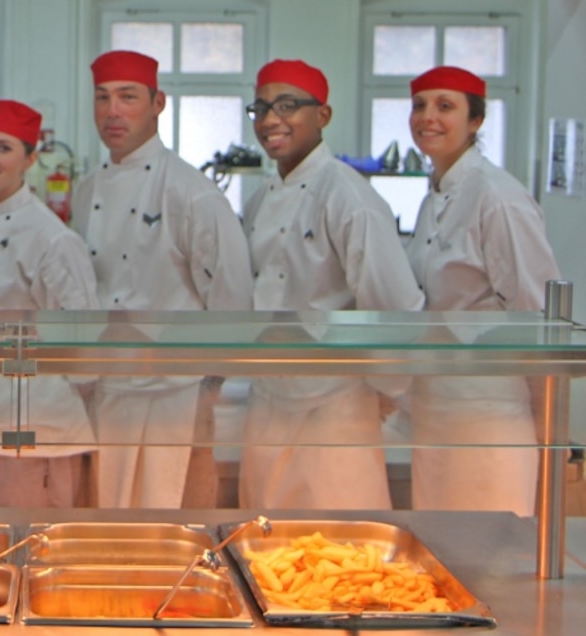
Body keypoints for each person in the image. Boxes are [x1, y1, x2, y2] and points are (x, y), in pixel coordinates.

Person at [238, 59, 424, 510]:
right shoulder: (261, 197)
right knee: (263, 542)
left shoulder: (350, 197)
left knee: (337, 549)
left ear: (323, 115)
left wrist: (390, 392)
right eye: (261, 108)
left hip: (334, 403)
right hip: (268, 396)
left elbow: (393, 304)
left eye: (287, 106)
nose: (270, 121)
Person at [72, 50, 253, 509]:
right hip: (108, 388)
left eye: (127, 97)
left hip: (175, 394)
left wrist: (209, 387)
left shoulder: (192, 192)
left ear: (158, 103)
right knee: (108, 520)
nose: (113, 111)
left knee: (172, 520)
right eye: (103, 98)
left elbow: (232, 302)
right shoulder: (87, 188)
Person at [404, 66, 560, 516]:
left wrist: (548, 419)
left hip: (488, 413)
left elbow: (537, 312)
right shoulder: (434, 195)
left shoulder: (497, 197)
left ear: (476, 121)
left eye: (445, 106)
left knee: (488, 562)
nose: (427, 117)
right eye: (419, 105)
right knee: (438, 558)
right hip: (434, 408)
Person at [0, 99, 98, 507]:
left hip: (32, 434)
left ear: (30, 158)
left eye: (3, 148)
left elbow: (85, 344)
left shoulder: (52, 238)